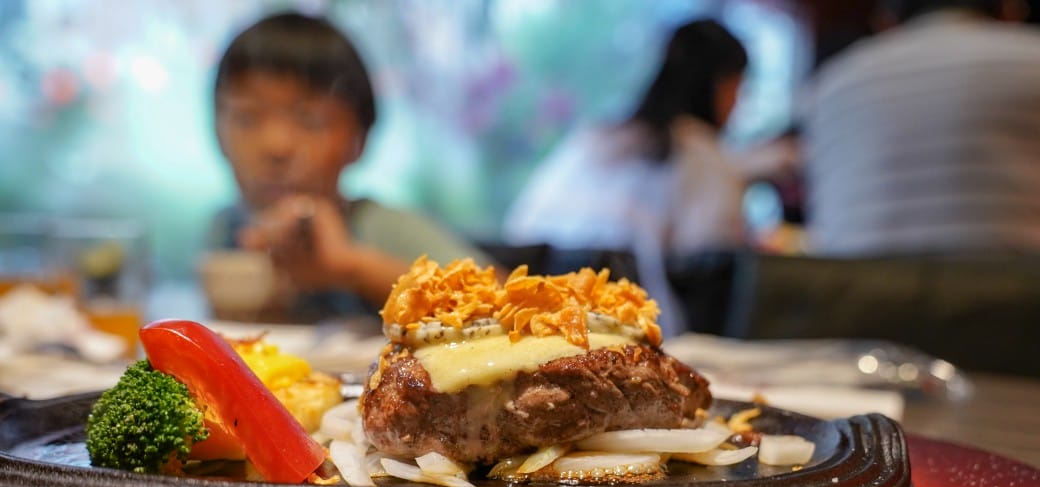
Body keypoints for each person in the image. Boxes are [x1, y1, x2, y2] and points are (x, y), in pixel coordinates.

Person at [503, 19, 796, 336]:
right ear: (721, 84)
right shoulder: (699, 152)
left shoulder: (593, 138)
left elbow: (520, 230)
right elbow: (713, 264)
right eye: (738, 90)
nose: (737, 104)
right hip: (640, 334)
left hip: (534, 330)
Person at [207, 11, 493, 322]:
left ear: (359, 140)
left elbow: (506, 301)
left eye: (310, 121)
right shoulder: (226, 230)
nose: (277, 146)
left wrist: (351, 266)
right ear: (217, 132)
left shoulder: (382, 229)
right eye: (246, 118)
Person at [801, 0, 1040, 256]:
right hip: (1018, 290)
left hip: (861, 291)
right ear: (1010, 12)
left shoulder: (832, 84)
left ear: (886, 23)